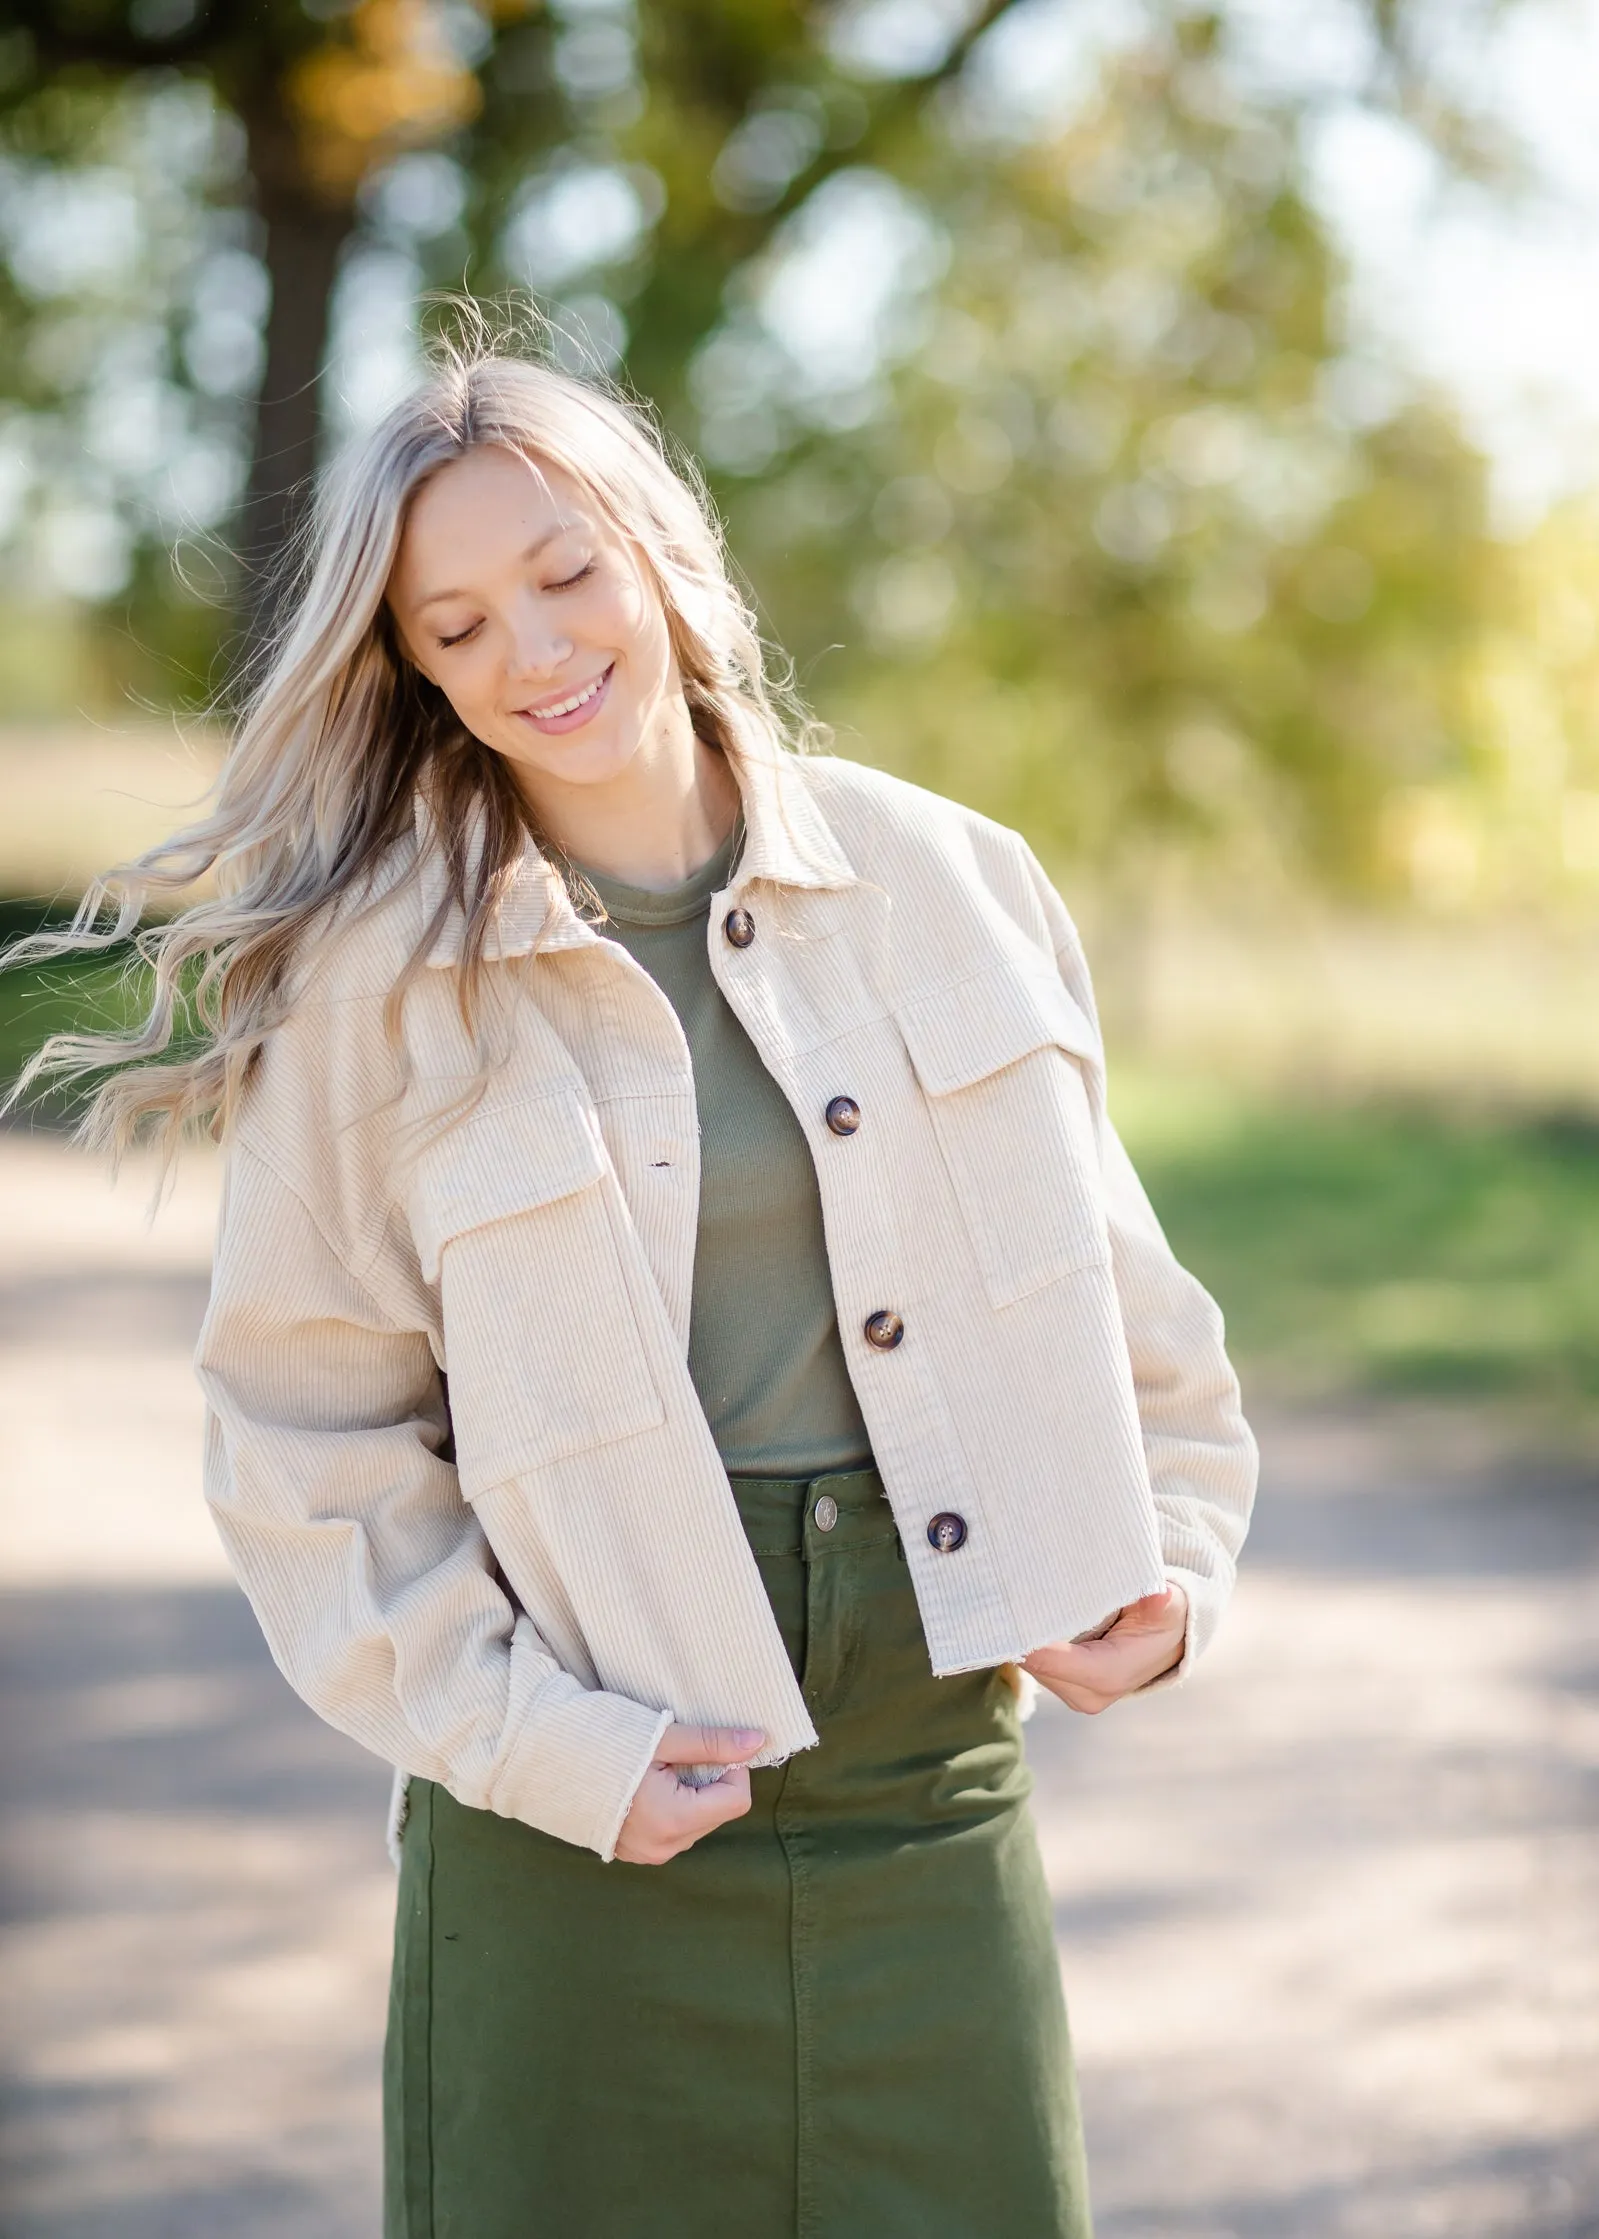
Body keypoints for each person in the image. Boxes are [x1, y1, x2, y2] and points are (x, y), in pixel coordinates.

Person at [19, 345, 1257, 2237]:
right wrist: (542, 1742)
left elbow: (1131, 1316)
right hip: (579, 1815)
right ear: (414, 671)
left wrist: (1164, 1579)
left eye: (563, 570)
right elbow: (301, 1440)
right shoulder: (377, 990)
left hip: (932, 1785)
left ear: (657, 547)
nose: (534, 647)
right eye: (458, 621)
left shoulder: (958, 878)